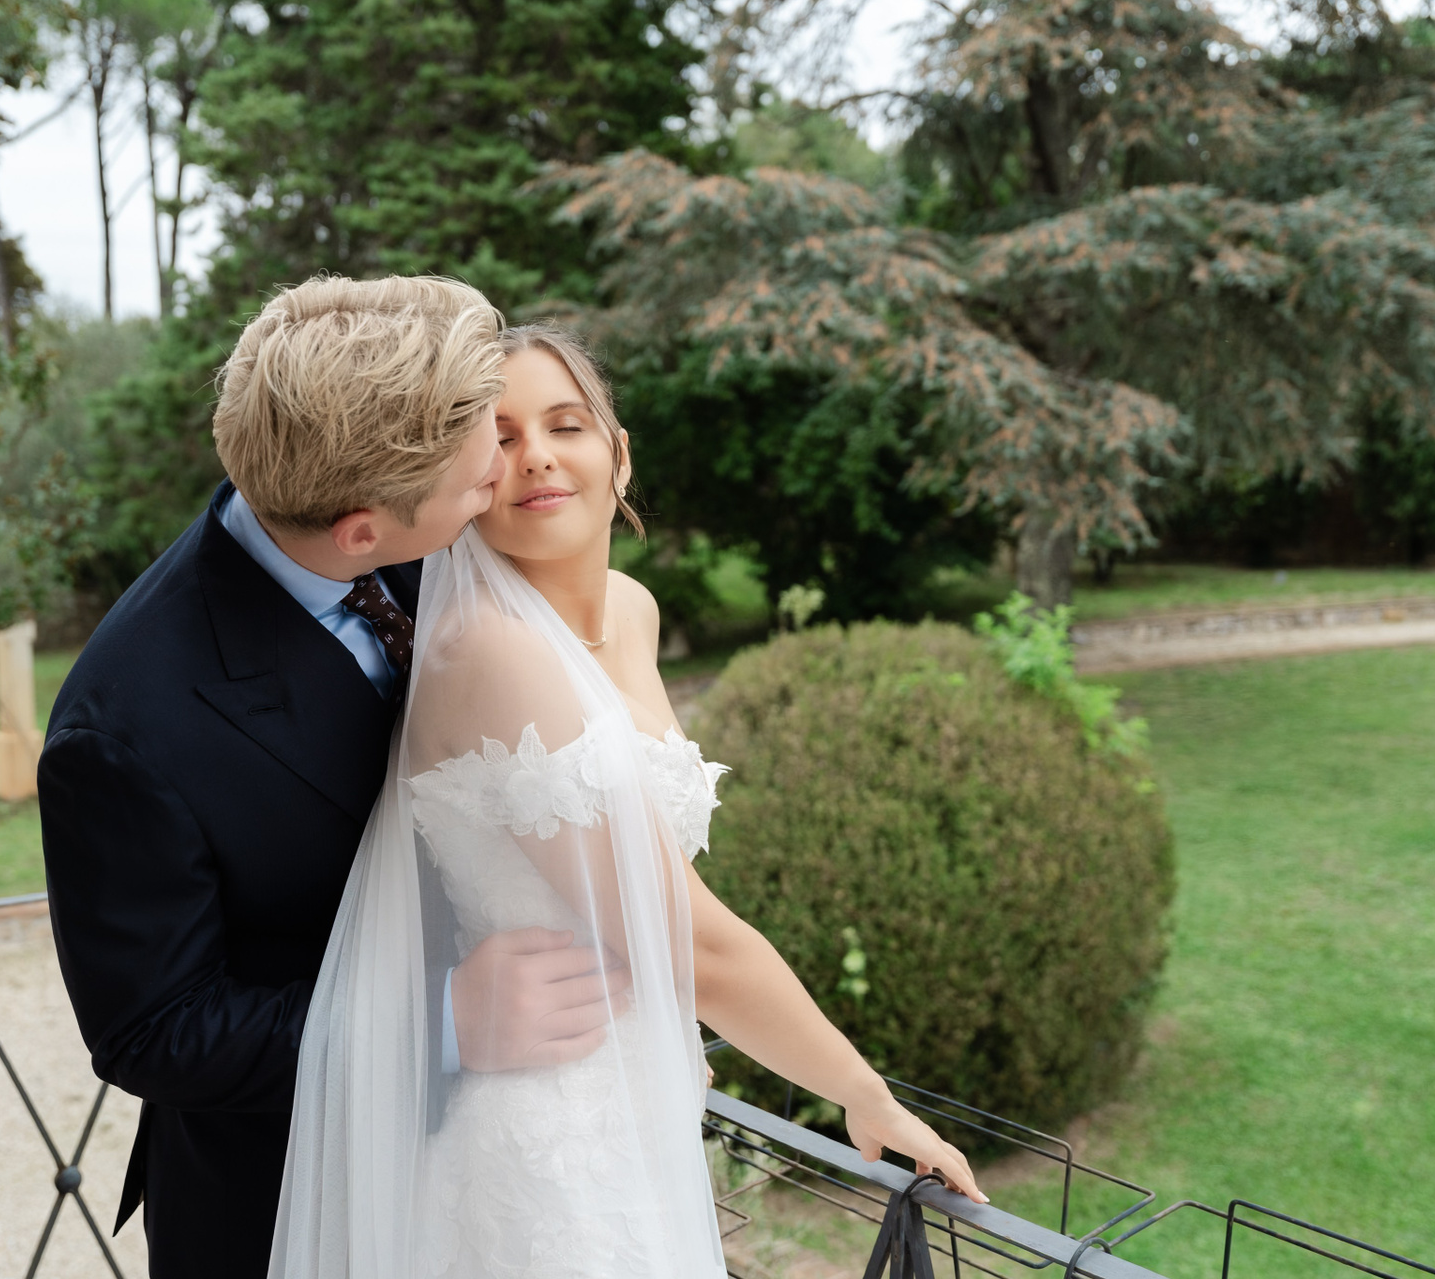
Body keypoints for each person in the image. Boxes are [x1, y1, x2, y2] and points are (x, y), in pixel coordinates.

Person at [271, 325, 983, 1279]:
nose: (536, 457)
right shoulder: (492, 652)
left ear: (620, 453)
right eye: (502, 439)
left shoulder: (635, 610)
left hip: (643, 1102)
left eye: (565, 425)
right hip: (550, 1149)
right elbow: (696, 942)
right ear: (470, 482)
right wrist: (866, 1094)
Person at [39, 278, 633, 1279]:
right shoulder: (122, 729)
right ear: (364, 532)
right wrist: (442, 1021)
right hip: (291, 1200)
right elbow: (155, 1031)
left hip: (520, 1160)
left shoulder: (411, 509)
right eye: (480, 468)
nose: (506, 468)